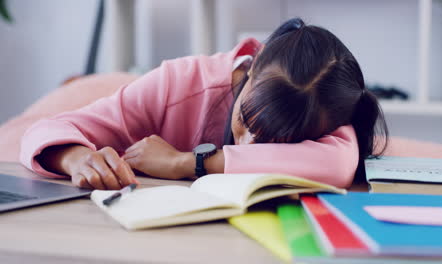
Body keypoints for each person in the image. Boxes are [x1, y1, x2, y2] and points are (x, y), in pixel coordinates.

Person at [20, 18, 388, 190]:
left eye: (275, 142)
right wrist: (74, 157)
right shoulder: (178, 85)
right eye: (247, 121)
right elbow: (44, 130)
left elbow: (338, 162)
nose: (247, 146)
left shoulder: (324, 104)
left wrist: (187, 162)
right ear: (252, 64)